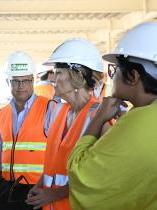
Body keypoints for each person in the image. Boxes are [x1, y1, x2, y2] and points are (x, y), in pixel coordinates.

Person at [67, 22, 157, 210]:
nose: (111, 77)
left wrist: (99, 117)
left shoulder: (137, 125)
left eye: (114, 70)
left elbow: (79, 173)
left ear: (133, 76)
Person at [26, 38, 110, 210]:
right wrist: (40, 184)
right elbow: (54, 163)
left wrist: (53, 195)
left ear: (77, 76)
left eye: (58, 72)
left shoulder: (99, 117)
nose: (53, 79)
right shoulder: (60, 111)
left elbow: (99, 176)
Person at [0, 51, 52, 210]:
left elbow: (59, 155)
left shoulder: (49, 108)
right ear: (7, 81)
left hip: (36, 190)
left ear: (33, 80)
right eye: (15, 81)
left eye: (25, 80)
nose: (21, 86)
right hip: (6, 189)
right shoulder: (2, 114)